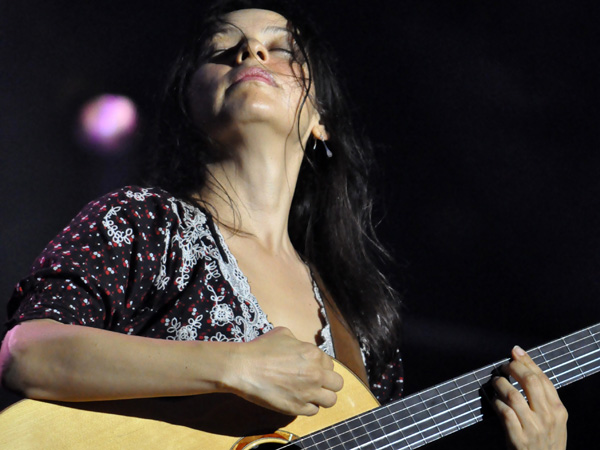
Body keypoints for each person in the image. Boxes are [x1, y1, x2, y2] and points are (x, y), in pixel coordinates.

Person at [0, 0, 567, 448]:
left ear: (320, 119)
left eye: (284, 50)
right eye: (222, 49)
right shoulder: (143, 223)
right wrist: (232, 366)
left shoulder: (360, 312)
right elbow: (28, 353)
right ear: (190, 104)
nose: (250, 51)